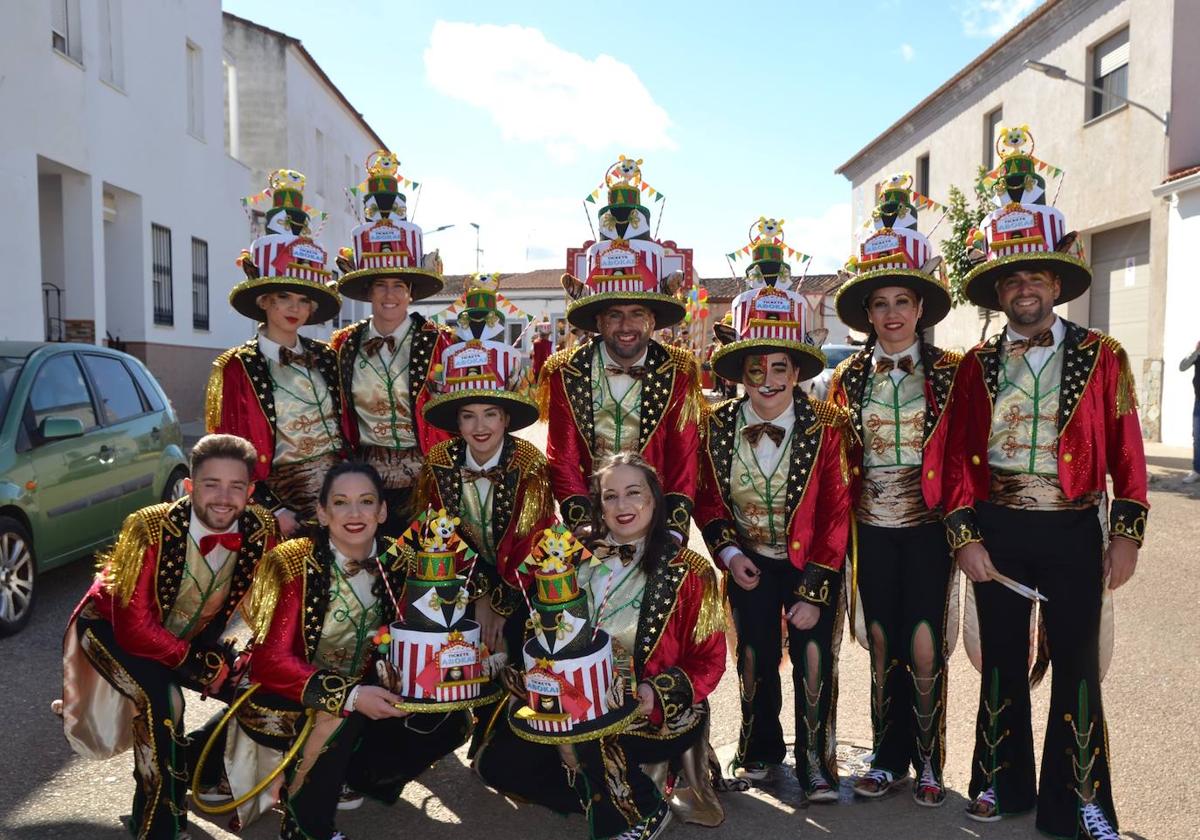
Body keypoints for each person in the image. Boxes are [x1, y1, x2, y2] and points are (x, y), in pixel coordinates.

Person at [944, 125, 1148, 839]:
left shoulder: (1104, 355)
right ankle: (1002, 783)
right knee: (1002, 662)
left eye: (1036, 276)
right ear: (999, 291)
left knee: (1077, 667)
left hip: (1071, 527)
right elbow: (951, 458)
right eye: (1012, 278)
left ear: (1056, 284)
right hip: (998, 528)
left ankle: (1082, 802)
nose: (1024, 287)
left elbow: (1129, 453)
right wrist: (965, 537)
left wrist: (1125, 536)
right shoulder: (975, 365)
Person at [475, 453, 726, 840]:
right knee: (497, 763)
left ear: (655, 500)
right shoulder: (570, 553)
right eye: (610, 497)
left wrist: (653, 694)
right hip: (571, 698)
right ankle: (596, 790)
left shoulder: (689, 570)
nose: (622, 506)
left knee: (594, 736)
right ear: (599, 505)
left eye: (633, 493)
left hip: (646, 706)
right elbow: (536, 616)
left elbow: (708, 659)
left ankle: (640, 812)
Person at [693, 220, 852, 801]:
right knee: (755, 660)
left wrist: (815, 589)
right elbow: (708, 497)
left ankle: (816, 764)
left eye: (779, 367)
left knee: (814, 665)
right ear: (737, 373)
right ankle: (758, 751)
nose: (767, 380)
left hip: (811, 566)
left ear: (797, 371)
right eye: (754, 369)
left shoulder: (828, 427)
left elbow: (837, 510)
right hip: (748, 563)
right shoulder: (715, 425)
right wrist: (729, 554)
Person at [60, 434, 278, 840]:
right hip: (113, 632)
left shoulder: (260, 528)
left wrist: (258, 654)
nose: (223, 498)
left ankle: (202, 769)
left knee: (264, 688)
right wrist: (196, 665)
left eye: (236, 486)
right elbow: (134, 627)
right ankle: (157, 827)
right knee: (164, 706)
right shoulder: (150, 527)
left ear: (250, 491)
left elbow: (264, 602)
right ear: (190, 486)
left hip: (191, 636)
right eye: (211, 484)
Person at [245, 461, 471, 840]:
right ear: (322, 511)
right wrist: (349, 694)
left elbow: (426, 627)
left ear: (382, 511)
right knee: (339, 713)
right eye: (341, 502)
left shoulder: (400, 559)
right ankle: (304, 826)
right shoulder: (294, 561)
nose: (354, 514)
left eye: (366, 502)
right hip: (289, 693)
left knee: (447, 716)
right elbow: (269, 662)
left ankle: (358, 778)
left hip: (367, 684)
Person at [827, 173, 960, 806]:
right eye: (880, 304)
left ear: (921, 308)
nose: (892, 314)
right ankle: (887, 756)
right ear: (868, 314)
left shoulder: (953, 372)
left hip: (932, 527)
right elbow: (833, 461)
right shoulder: (845, 378)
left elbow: (965, 455)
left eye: (903, 301)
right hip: (870, 527)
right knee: (879, 638)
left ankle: (931, 758)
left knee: (926, 642)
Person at [545, 158, 700, 534]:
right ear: (597, 320)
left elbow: (684, 456)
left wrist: (675, 529)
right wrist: (582, 523)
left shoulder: (679, 368)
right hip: (591, 521)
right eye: (614, 314)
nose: (626, 326)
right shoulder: (565, 370)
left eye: (637, 313)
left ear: (653, 319)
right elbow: (561, 457)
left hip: (655, 520)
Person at [415, 274, 554, 662]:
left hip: (523, 584)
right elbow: (437, 534)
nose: (480, 427)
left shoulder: (529, 464)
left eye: (491, 414)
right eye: (468, 415)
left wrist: (499, 604)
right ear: (455, 422)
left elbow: (533, 541)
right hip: (460, 582)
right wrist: (476, 598)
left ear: (506, 419)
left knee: (521, 648)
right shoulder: (439, 462)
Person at [208, 169, 345, 536]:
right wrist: (269, 511)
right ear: (265, 299)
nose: (294, 308)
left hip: (341, 501)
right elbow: (227, 454)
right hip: (283, 506)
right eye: (284, 296)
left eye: (303, 299)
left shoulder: (327, 357)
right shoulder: (237, 366)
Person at [332, 151, 452, 532]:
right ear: (368, 290)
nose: (389, 295)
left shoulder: (439, 343)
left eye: (398, 285)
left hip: (427, 481)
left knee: (425, 573)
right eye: (380, 285)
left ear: (410, 292)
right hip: (364, 484)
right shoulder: (343, 346)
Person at [1179, 340, 1200, 483]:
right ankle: (1197, 471)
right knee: (1197, 436)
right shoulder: (1197, 355)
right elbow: (1182, 366)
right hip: (1199, 402)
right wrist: (1195, 351)